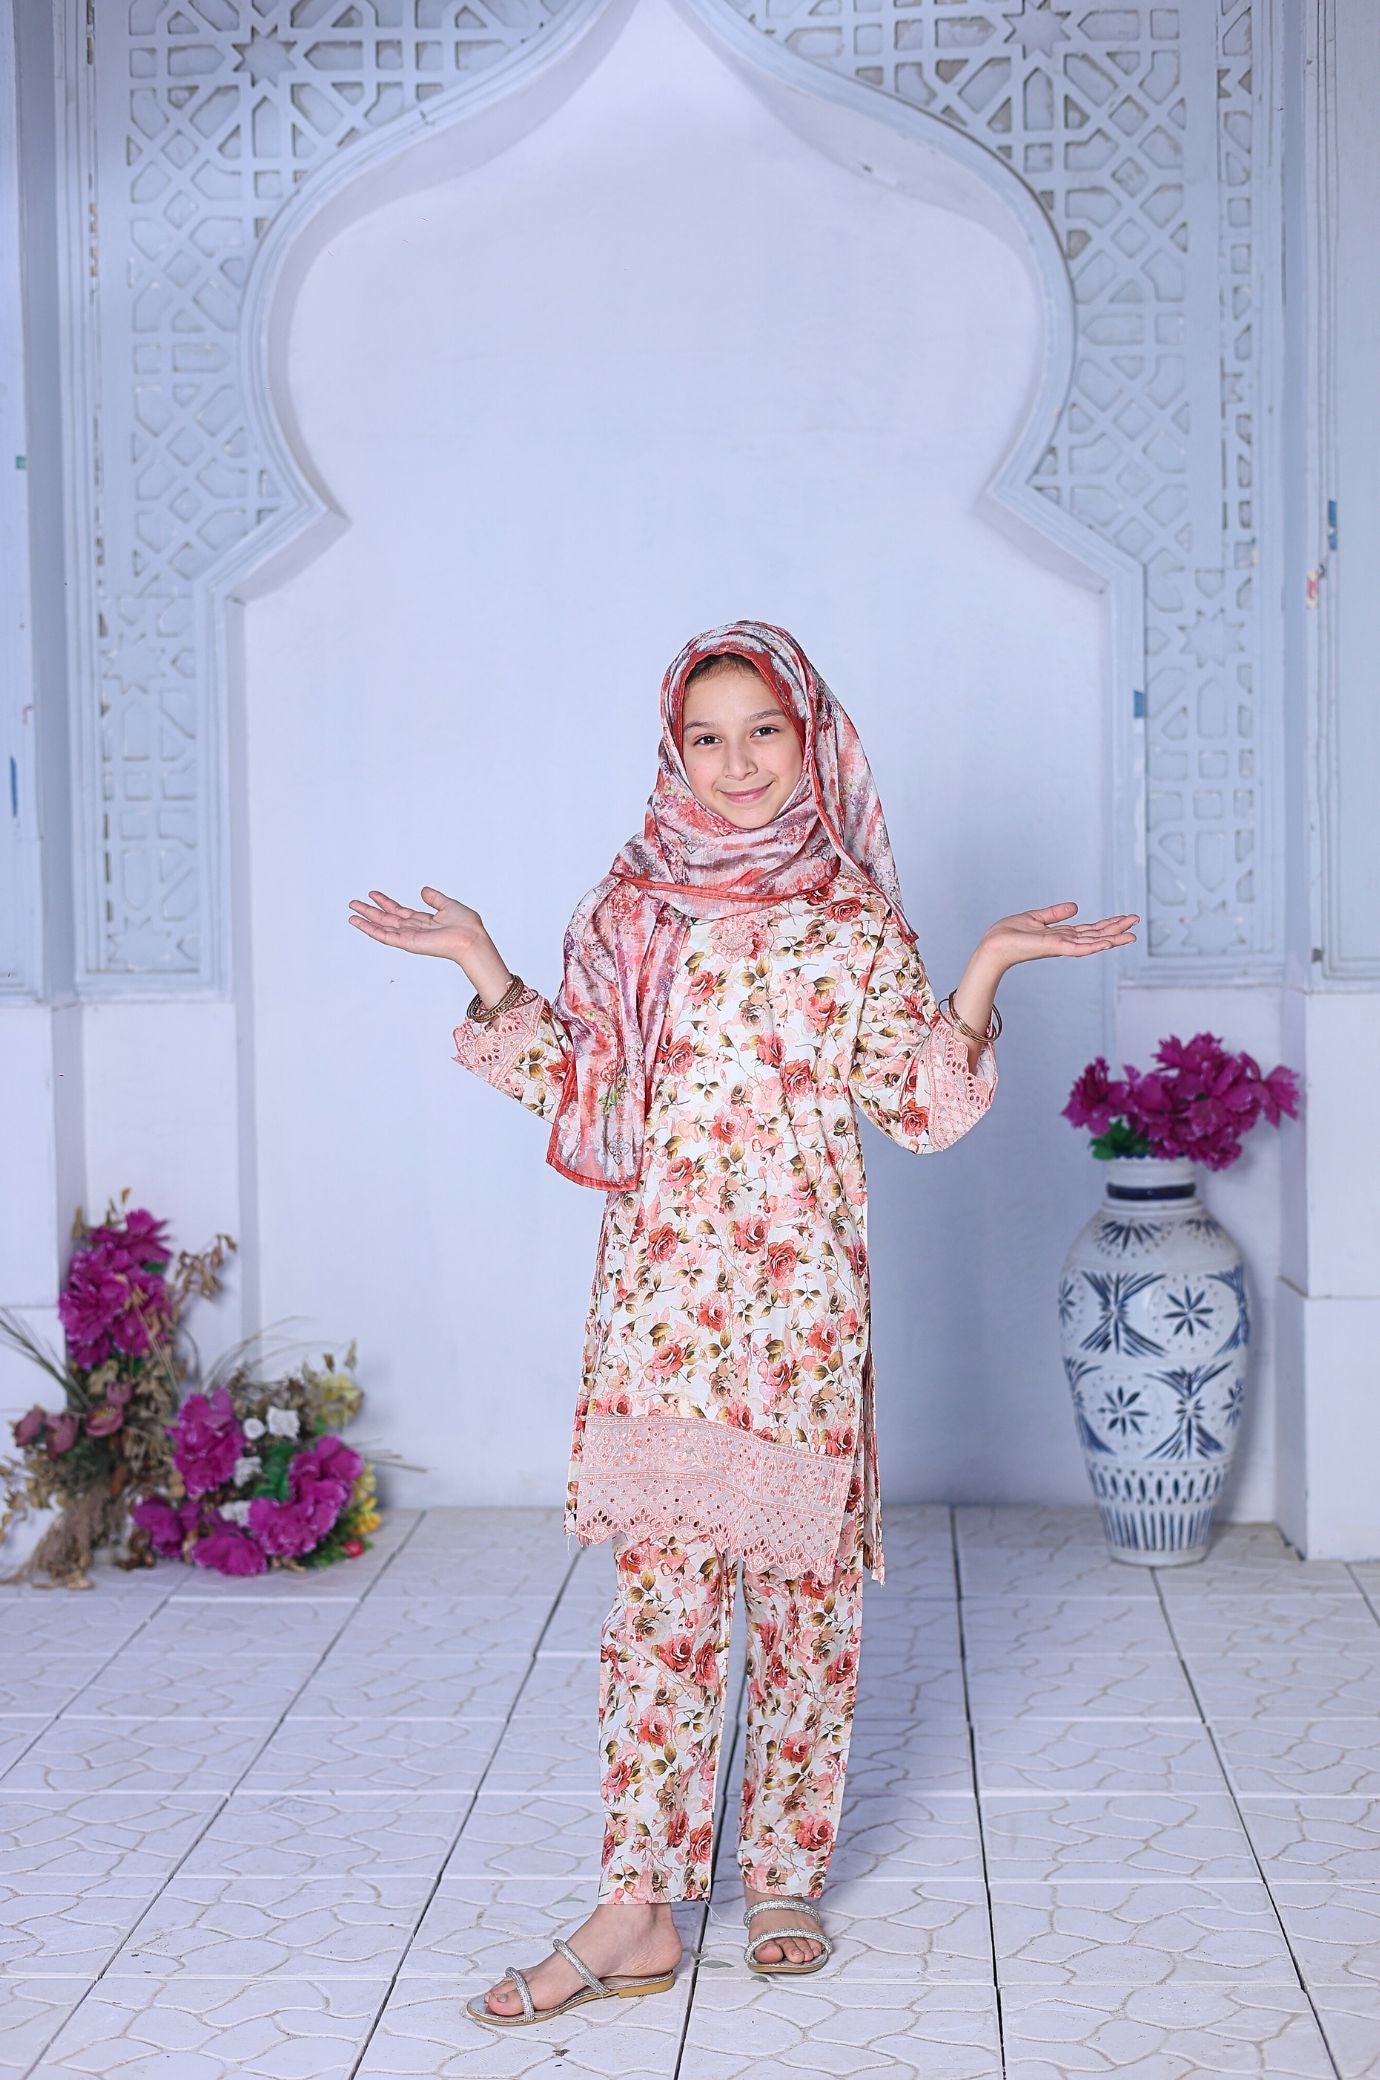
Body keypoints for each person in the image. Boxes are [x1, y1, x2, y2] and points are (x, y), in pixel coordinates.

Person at [348, 619, 1137, 2027]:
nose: (736, 764)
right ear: (673, 750)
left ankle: (783, 1869)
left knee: (804, 1602)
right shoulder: (625, 912)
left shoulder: (851, 918)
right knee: (658, 1601)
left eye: (763, 730)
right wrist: (482, 963)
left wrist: (988, 970)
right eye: (706, 737)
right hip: (662, 1302)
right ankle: (638, 1905)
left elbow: (920, 1103)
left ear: (812, 735)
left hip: (801, 1306)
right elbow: (579, 1086)